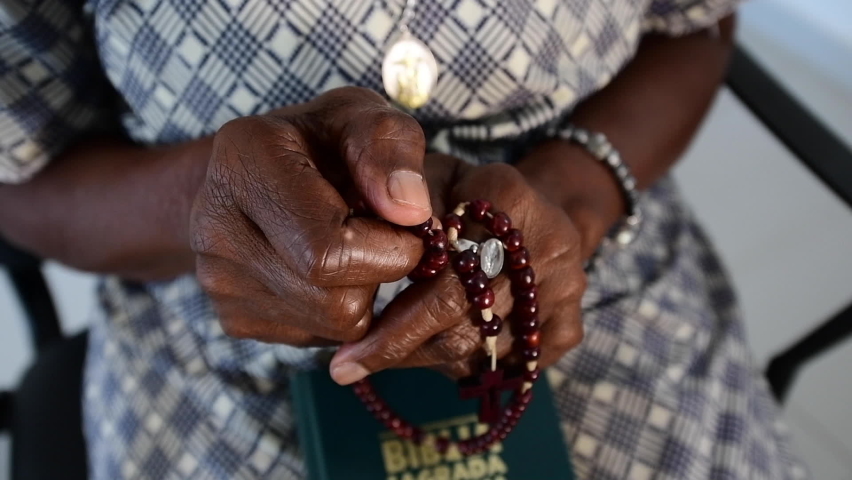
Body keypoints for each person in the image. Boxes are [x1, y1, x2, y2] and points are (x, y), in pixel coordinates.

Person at [0, 0, 806, 478]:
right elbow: (19, 173)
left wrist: (570, 196)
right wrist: (204, 200)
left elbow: (693, 24)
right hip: (214, 310)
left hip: (585, 273)